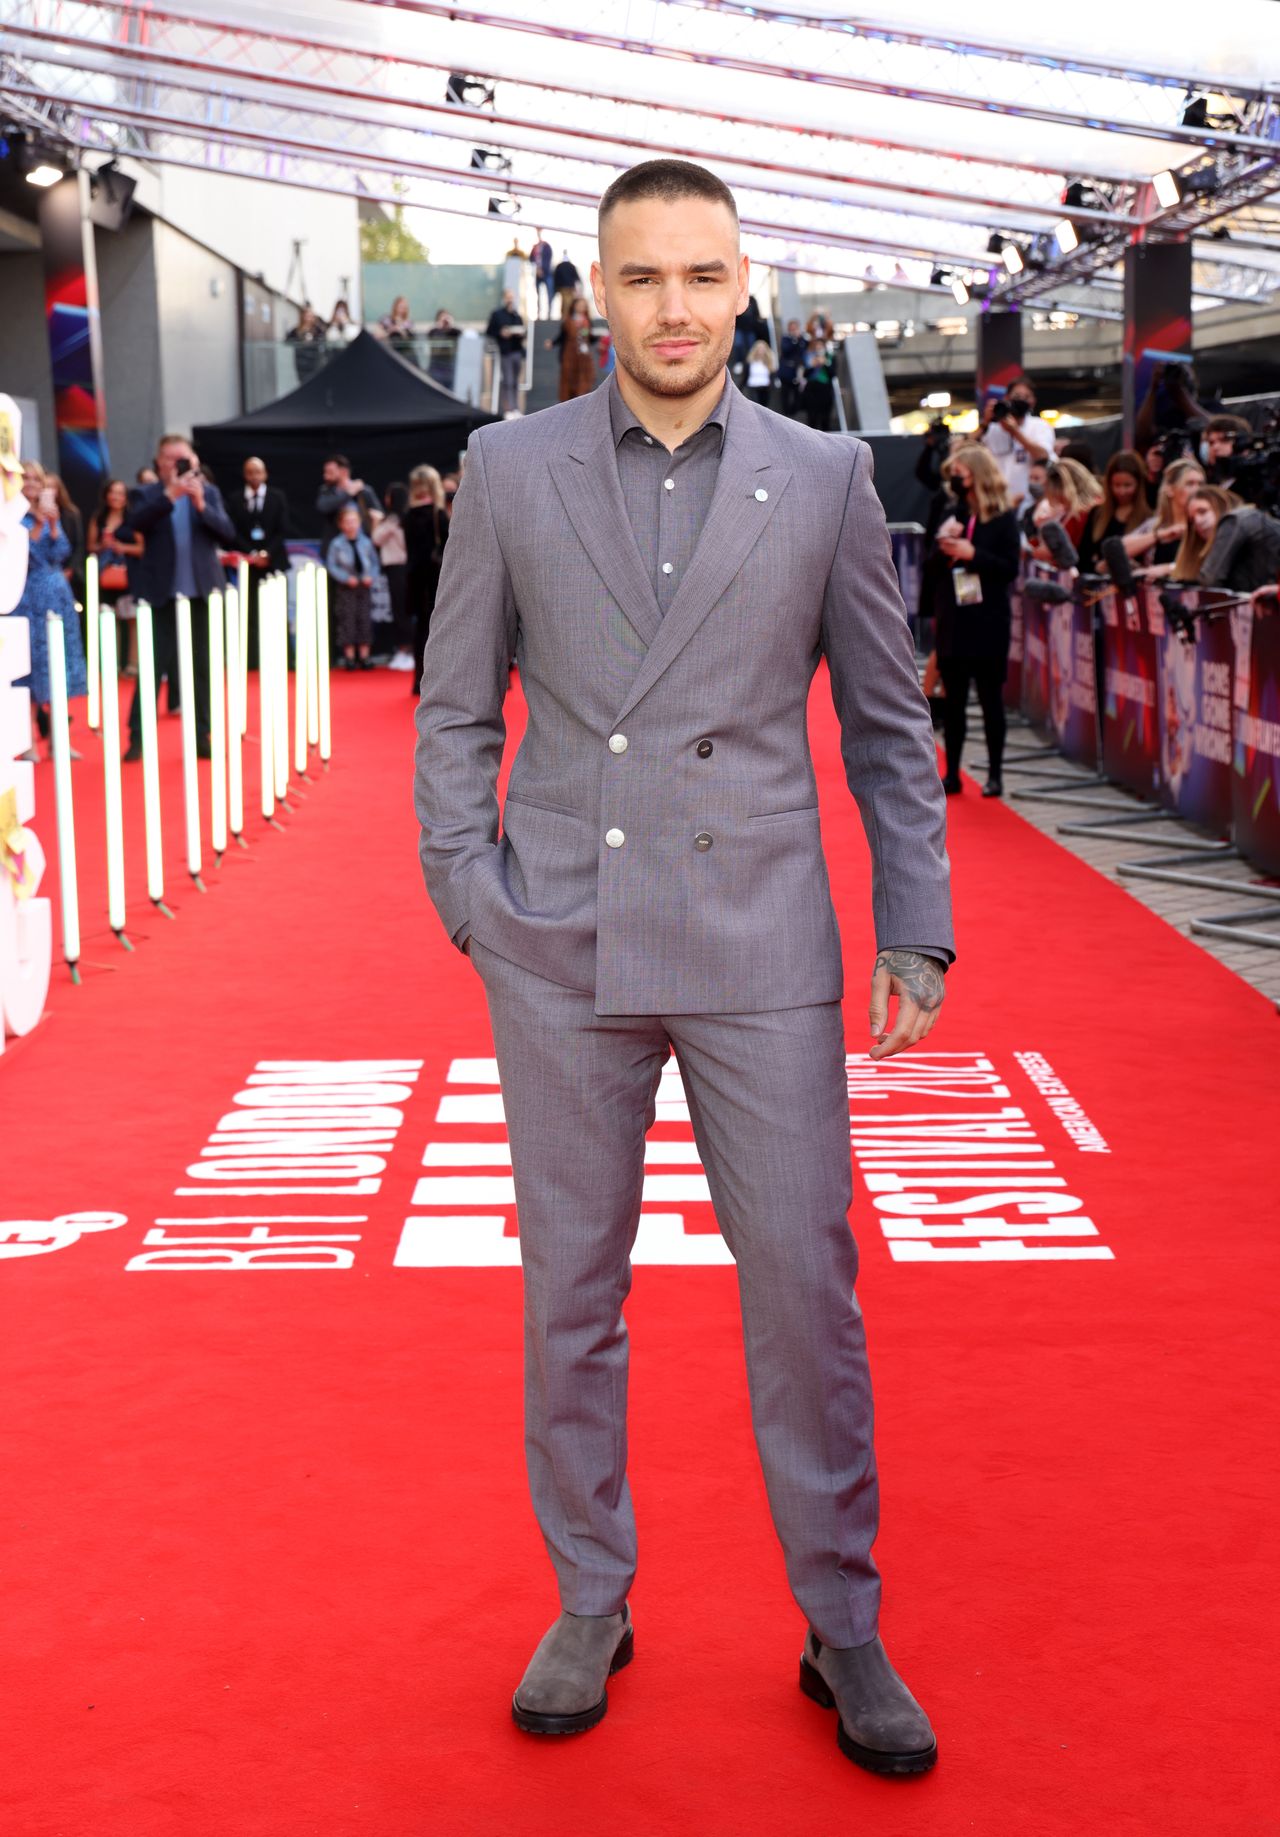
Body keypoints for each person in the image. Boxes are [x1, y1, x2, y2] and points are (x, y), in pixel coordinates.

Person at [414, 156, 952, 1775]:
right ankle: (591, 1595)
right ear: (597, 291)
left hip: (758, 931)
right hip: (558, 931)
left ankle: (841, 1621)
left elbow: (886, 721)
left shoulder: (829, 472)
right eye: (640, 277)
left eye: (700, 276)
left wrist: (913, 914)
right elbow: (452, 709)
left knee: (805, 1292)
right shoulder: (507, 467)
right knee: (570, 1291)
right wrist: (469, 894)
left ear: (743, 286)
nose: (671, 307)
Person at [121, 433, 236, 761]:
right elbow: (132, 527)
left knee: (202, 668)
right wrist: (169, 496)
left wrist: (200, 505)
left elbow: (227, 532)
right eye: (171, 460)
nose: (178, 465)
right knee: (153, 666)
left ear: (195, 462)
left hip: (201, 592)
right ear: (160, 463)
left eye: (184, 459)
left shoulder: (208, 492)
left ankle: (203, 735)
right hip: (161, 594)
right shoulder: (146, 494)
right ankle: (138, 736)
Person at [929, 442, 1021, 798]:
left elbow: (1009, 569)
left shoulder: (1001, 519)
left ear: (978, 475)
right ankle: (951, 772)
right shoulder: (952, 512)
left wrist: (974, 554)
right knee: (953, 703)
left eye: (962, 474)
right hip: (955, 618)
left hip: (988, 620)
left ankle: (995, 774)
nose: (956, 480)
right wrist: (944, 546)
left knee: (990, 700)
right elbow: (930, 567)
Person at [11, 462, 88, 760]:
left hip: (57, 597)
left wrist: (53, 524)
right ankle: (27, 741)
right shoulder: (11, 516)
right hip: (25, 597)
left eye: (35, 478)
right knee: (27, 670)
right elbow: (20, 554)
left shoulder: (49, 512)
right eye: (25, 477)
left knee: (59, 665)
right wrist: (41, 524)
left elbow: (61, 552)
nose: (30, 483)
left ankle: (59, 740)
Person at [228, 456, 291, 668]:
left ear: (265, 474)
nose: (254, 476)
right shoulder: (236, 499)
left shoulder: (277, 497)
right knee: (250, 612)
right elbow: (232, 532)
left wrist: (266, 554)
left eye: (258, 471)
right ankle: (252, 659)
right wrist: (252, 554)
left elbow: (283, 529)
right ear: (245, 475)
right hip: (248, 563)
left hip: (274, 562)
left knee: (277, 611)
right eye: (250, 472)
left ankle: (283, 658)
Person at [88, 478, 145, 676]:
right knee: (108, 618)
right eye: (113, 492)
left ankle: (132, 664)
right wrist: (103, 546)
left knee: (131, 620)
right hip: (105, 574)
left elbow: (141, 547)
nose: (116, 497)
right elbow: (90, 546)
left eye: (121, 493)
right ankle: (111, 664)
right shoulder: (99, 518)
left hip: (129, 574)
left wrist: (123, 548)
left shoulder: (133, 518)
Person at [404, 464, 449, 696]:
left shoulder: (408, 516)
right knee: (439, 628)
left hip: (414, 577)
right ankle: (437, 682)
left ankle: (418, 680)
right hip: (435, 578)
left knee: (421, 628)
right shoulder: (437, 515)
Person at [978, 375, 1054, 506]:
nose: (1021, 400)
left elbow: (1043, 456)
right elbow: (966, 449)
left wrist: (1015, 432)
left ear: (1033, 401)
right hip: (998, 503)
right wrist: (985, 422)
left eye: (1026, 397)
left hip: (1029, 502)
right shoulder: (993, 428)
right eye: (1017, 396)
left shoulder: (1040, 425)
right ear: (1007, 398)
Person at [1076, 450, 1153, 574]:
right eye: (1116, 485)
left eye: (1127, 485)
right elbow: (1082, 558)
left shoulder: (1149, 519)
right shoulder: (1097, 514)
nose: (1121, 492)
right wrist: (1096, 567)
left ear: (1139, 484)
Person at [325, 502, 379, 670]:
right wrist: (345, 578)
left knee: (364, 619)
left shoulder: (366, 542)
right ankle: (349, 657)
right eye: (347, 522)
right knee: (346, 619)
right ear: (341, 524)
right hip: (346, 588)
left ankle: (365, 656)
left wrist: (371, 576)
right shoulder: (336, 544)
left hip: (364, 586)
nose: (351, 525)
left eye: (354, 521)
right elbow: (331, 565)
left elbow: (375, 563)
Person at [372, 481, 413, 671]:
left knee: (402, 610)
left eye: (388, 495)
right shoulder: (398, 519)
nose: (385, 499)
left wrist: (377, 522)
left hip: (399, 568)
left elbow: (376, 538)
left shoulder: (396, 520)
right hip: (396, 568)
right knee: (400, 610)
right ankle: (404, 650)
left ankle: (408, 651)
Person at [316, 455, 378, 543]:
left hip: (363, 544)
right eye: (325, 472)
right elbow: (323, 507)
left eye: (330, 472)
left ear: (344, 472)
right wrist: (348, 493)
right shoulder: (325, 491)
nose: (326, 476)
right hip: (335, 545)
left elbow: (378, 513)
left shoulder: (364, 491)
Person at [548, 295, 599, 402]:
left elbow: (591, 338)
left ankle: (582, 404)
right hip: (569, 355)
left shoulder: (587, 321)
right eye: (579, 305)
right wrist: (552, 343)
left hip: (584, 357)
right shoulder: (568, 321)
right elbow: (562, 336)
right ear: (574, 306)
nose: (581, 308)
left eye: (583, 306)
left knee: (584, 381)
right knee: (568, 381)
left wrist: (599, 336)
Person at [486, 289, 526, 416]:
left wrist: (520, 333)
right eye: (508, 297)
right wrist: (501, 333)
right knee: (507, 380)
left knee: (515, 381)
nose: (510, 300)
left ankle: (515, 408)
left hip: (516, 351)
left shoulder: (516, 316)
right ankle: (508, 409)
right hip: (505, 352)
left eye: (512, 297)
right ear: (504, 298)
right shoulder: (497, 315)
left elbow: (523, 333)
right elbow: (490, 331)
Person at [285, 305, 327, 383]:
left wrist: (312, 340)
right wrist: (300, 340)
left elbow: (323, 338)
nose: (307, 318)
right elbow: (288, 340)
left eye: (310, 316)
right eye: (306, 315)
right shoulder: (296, 330)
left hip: (314, 360)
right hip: (301, 361)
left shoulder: (317, 329)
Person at [802, 338, 836, 431]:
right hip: (812, 390)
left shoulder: (830, 357)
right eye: (817, 346)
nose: (818, 348)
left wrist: (824, 363)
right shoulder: (809, 356)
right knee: (812, 418)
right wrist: (813, 365)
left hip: (825, 390)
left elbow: (833, 374)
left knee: (825, 418)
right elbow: (805, 374)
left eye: (820, 346)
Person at [778, 318, 807, 418]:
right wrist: (794, 340)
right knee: (785, 394)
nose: (794, 330)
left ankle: (794, 412)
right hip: (786, 372)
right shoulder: (786, 339)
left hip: (797, 371)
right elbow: (786, 350)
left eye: (795, 328)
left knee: (797, 394)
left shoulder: (802, 339)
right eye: (792, 329)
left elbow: (803, 351)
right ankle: (786, 413)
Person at [375, 295, 417, 362]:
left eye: (405, 307)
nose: (402, 309)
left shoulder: (409, 323)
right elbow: (376, 335)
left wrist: (402, 332)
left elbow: (412, 340)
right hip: (388, 352)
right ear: (395, 307)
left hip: (405, 354)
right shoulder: (386, 320)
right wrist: (390, 331)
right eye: (400, 306)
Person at [426, 310, 461, 390]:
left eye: (447, 317)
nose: (445, 321)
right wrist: (440, 328)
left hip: (450, 370)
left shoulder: (454, 332)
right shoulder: (433, 332)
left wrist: (451, 326)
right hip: (436, 369)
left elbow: (461, 336)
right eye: (442, 318)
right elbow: (432, 339)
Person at [745, 337, 778, 407]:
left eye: (763, 349)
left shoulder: (769, 361)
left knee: (764, 407)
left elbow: (773, 374)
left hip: (765, 387)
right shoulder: (750, 361)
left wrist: (772, 386)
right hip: (753, 386)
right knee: (755, 406)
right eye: (759, 349)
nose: (761, 351)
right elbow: (745, 375)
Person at [529, 229, 555, 317]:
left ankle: (549, 313)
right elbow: (531, 259)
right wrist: (537, 269)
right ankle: (538, 313)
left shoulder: (547, 246)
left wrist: (543, 269)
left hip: (546, 273)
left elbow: (548, 259)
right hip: (537, 274)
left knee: (549, 293)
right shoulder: (535, 247)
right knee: (538, 294)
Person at [552, 250, 581, 316]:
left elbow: (556, 277)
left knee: (565, 302)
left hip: (563, 287)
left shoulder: (559, 266)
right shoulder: (572, 266)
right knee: (568, 302)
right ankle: (566, 316)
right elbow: (577, 278)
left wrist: (556, 288)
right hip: (570, 287)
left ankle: (565, 316)